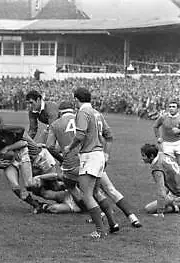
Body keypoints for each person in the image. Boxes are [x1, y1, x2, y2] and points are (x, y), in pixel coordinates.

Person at [48, 101, 142, 229]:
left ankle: (99, 219)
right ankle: (131, 218)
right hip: (94, 159)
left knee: (73, 186)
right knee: (108, 190)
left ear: (60, 112)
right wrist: (106, 155)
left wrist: (61, 157)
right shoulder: (85, 117)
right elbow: (105, 136)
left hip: (73, 165)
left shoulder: (55, 124)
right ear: (73, 110)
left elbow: (50, 147)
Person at [64, 88, 119, 238]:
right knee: (95, 192)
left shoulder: (83, 112)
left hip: (90, 156)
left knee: (87, 194)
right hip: (99, 155)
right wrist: (106, 154)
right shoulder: (96, 113)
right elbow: (109, 135)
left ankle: (100, 231)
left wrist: (70, 147)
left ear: (76, 99)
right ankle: (113, 223)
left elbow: (80, 135)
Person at [0, 124, 44, 213]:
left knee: (29, 184)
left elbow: (23, 140)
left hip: (21, 152)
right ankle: (36, 205)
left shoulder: (2, 129)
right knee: (15, 187)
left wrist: (8, 148)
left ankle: (52, 183)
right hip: (8, 159)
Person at [141, 143, 180, 216]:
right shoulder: (162, 155)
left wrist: (160, 211)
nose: (142, 158)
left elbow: (161, 190)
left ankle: (176, 205)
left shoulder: (157, 168)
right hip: (175, 190)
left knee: (149, 209)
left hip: (176, 193)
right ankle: (176, 204)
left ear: (152, 156)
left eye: (144, 155)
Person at [153, 100, 180, 164]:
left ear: (178, 109)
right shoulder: (163, 117)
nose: (171, 108)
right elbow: (155, 126)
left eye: (173, 107)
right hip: (166, 144)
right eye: (170, 107)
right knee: (169, 164)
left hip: (178, 143)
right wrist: (158, 137)